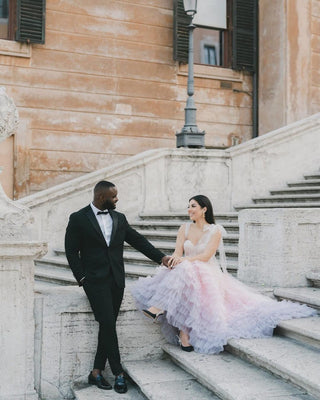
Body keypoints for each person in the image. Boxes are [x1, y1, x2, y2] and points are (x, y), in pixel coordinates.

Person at [131, 195, 316, 354]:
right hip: (186, 272)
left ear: (204, 209)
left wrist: (183, 262)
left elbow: (205, 256)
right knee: (183, 271)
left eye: (193, 206)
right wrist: (174, 260)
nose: (189, 209)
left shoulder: (215, 230)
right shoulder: (184, 228)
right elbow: (178, 252)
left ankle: (167, 316)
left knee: (187, 269)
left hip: (206, 273)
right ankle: (182, 331)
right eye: (188, 206)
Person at [65, 181, 170, 393]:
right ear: (102, 197)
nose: (117, 199)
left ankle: (95, 372)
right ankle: (118, 372)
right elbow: (71, 251)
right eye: (114, 196)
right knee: (107, 322)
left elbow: (138, 241)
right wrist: (82, 278)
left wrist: (162, 258)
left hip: (116, 280)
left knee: (108, 325)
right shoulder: (78, 218)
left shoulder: (119, 218)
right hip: (94, 281)